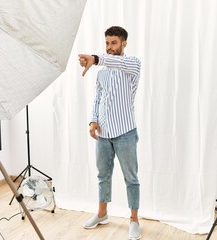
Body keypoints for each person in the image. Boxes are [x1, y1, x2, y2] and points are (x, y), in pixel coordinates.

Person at [78, 26, 142, 240]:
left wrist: (96, 58)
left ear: (124, 43)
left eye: (114, 43)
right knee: (103, 176)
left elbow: (118, 62)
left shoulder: (132, 65)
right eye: (107, 43)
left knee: (131, 178)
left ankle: (134, 220)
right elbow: (98, 98)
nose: (109, 47)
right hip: (103, 135)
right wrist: (93, 121)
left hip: (125, 133)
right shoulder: (102, 72)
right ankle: (102, 214)